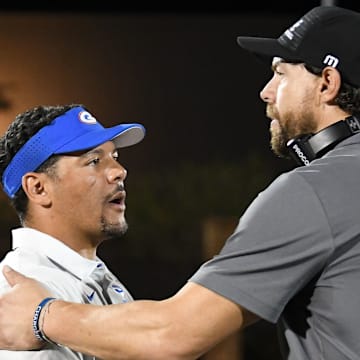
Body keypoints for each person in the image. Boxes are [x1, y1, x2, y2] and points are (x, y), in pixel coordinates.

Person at [0, 5, 359, 360]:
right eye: (94, 160)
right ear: (37, 187)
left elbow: (173, 334)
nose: (267, 91)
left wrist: (41, 316)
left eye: (281, 74)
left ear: (327, 83)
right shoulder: (21, 282)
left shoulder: (314, 192)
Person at [0, 104, 145, 359]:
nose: (119, 171)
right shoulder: (20, 294)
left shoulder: (96, 278)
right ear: (38, 188)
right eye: (94, 161)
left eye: (115, 157)